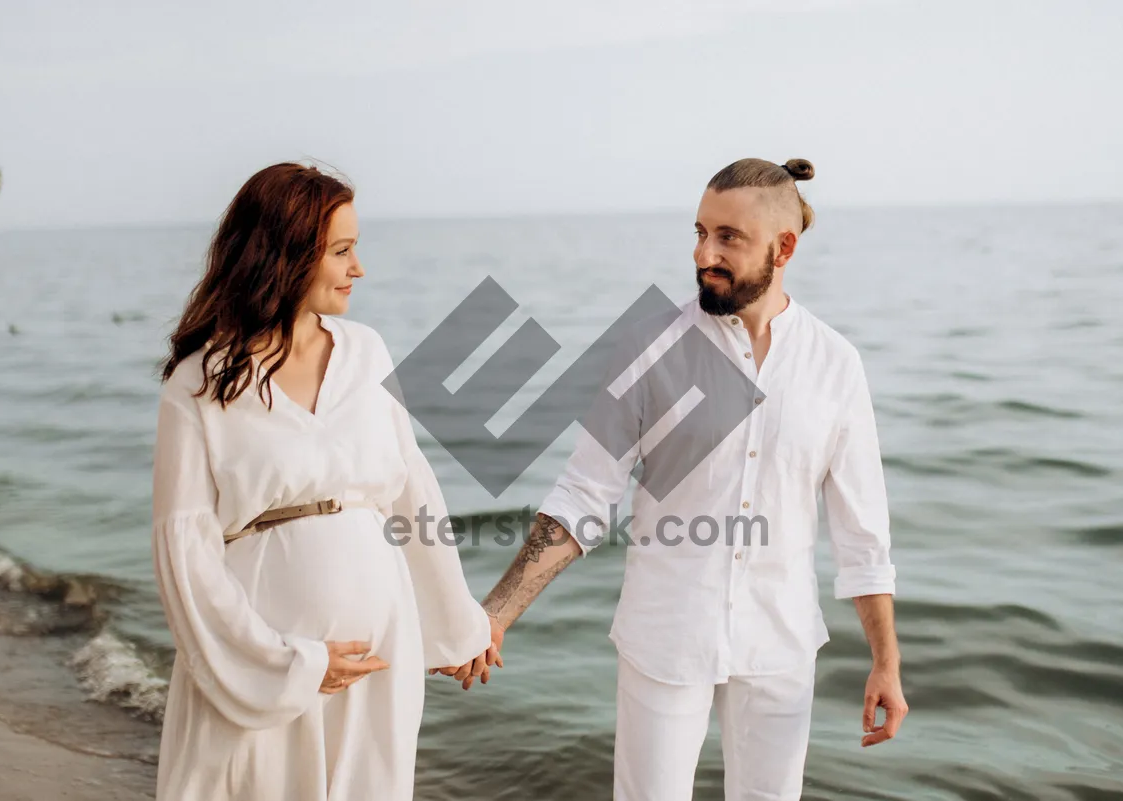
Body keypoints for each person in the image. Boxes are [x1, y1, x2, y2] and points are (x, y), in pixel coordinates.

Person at [441, 158, 908, 800]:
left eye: (727, 238)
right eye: (699, 232)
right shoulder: (648, 348)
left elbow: (863, 533)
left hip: (781, 645)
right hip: (665, 637)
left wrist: (886, 661)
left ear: (784, 247)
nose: (703, 254)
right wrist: (498, 611)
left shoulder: (835, 364)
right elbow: (584, 497)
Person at [151, 162, 492, 801]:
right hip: (263, 658)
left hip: (377, 656)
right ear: (282, 255)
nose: (357, 268)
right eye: (340, 251)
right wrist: (288, 663)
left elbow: (410, 492)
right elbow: (185, 552)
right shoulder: (198, 384)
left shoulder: (366, 352)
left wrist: (457, 625)